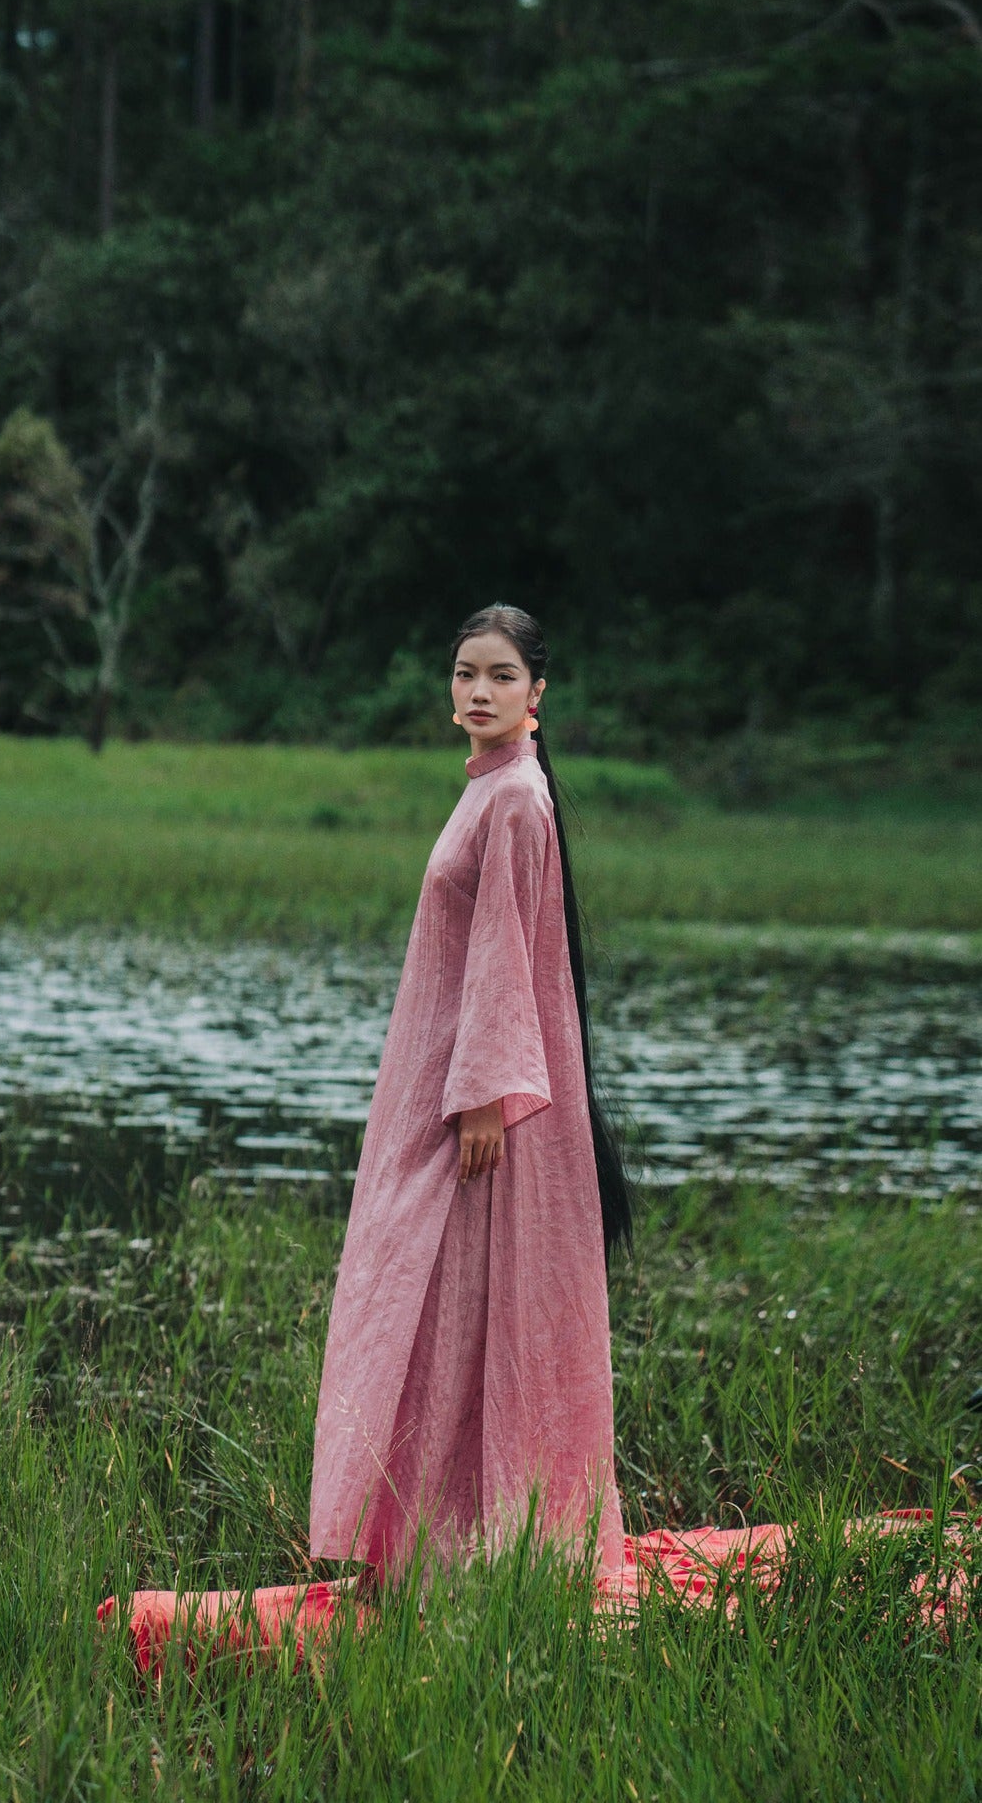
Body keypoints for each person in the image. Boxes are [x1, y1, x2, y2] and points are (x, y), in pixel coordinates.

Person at [309, 603, 634, 1593]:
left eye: (499, 675)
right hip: (447, 1089)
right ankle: (425, 1542)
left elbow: (504, 954)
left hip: (486, 1108)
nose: (478, 691)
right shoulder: (488, 790)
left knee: (463, 1308)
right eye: (464, 674)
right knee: (426, 1297)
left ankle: (475, 1548)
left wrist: (486, 1096)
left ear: (538, 694)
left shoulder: (518, 800)